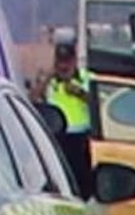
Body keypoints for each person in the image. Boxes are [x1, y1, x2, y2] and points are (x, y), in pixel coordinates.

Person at [32, 40, 94, 199]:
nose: (63, 67)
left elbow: (98, 103)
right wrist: (47, 79)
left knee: (81, 182)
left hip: (79, 139)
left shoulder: (86, 78)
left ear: (74, 61)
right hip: (57, 138)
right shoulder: (50, 82)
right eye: (60, 63)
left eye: (67, 62)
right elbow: (33, 98)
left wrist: (79, 93)